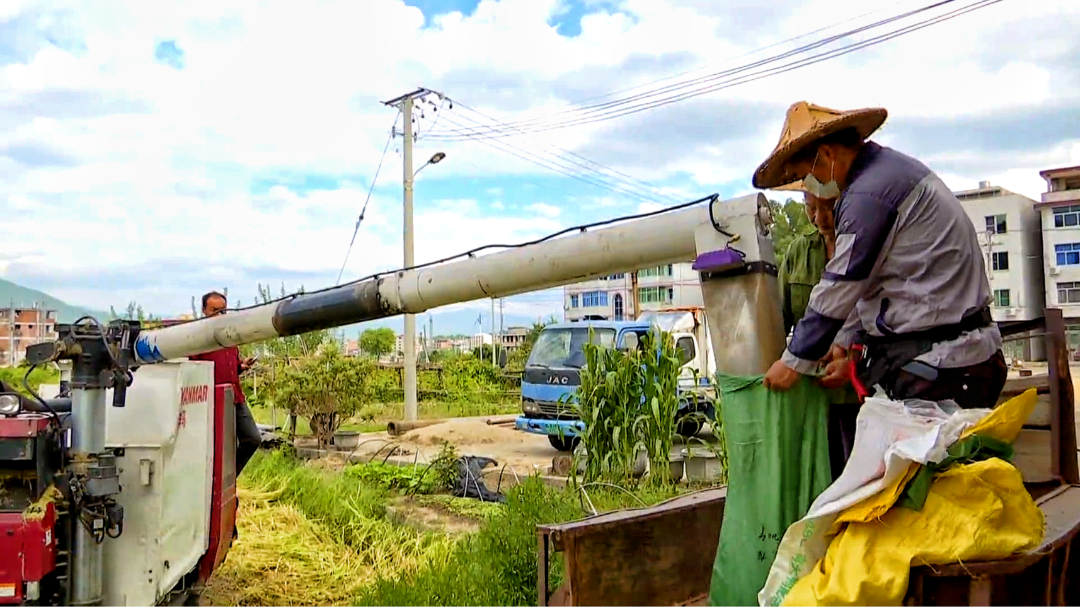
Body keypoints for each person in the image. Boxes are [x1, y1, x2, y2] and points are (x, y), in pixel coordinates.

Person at [757, 101, 1006, 410]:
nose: (813, 187)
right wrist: (842, 341)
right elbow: (868, 287)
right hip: (952, 356)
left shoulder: (869, 195)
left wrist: (795, 360)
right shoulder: (891, 172)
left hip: (945, 362)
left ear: (827, 155)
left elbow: (842, 283)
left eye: (807, 176)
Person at [778, 188, 860, 480]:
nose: (820, 218)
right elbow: (780, 320)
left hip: (861, 399)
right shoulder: (797, 253)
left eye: (829, 208)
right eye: (810, 208)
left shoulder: (867, 247)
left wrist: (855, 363)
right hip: (809, 400)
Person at [189, 291, 262, 480]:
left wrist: (241, 365)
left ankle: (226, 479)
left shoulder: (229, 335)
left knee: (252, 438)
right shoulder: (197, 337)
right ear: (204, 310)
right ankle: (213, 482)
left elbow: (231, 365)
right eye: (214, 310)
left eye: (223, 311)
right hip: (212, 401)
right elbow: (192, 370)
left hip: (235, 397)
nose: (219, 315)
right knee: (216, 446)